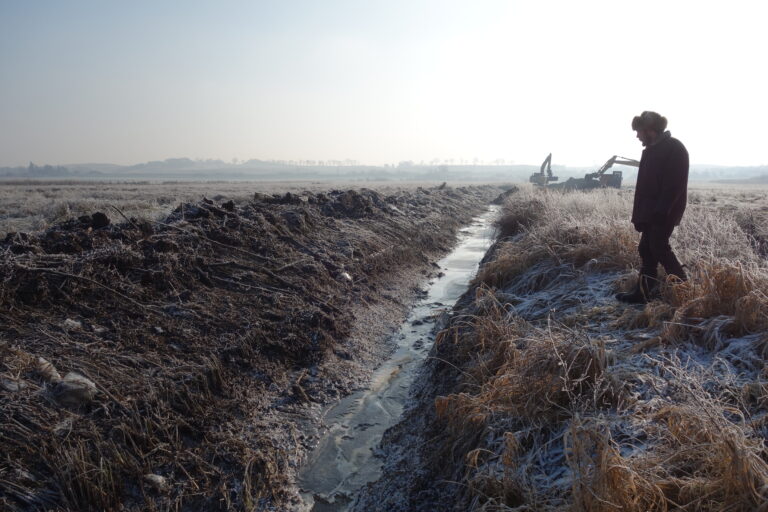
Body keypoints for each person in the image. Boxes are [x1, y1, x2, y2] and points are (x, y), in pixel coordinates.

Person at [616, 111, 688, 304]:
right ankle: (643, 293)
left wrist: (661, 212)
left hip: (663, 212)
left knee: (658, 247)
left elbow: (674, 186)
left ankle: (684, 290)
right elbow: (644, 189)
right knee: (646, 249)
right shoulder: (651, 150)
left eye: (639, 131)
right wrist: (640, 216)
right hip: (651, 212)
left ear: (650, 130)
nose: (637, 135)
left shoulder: (674, 149)